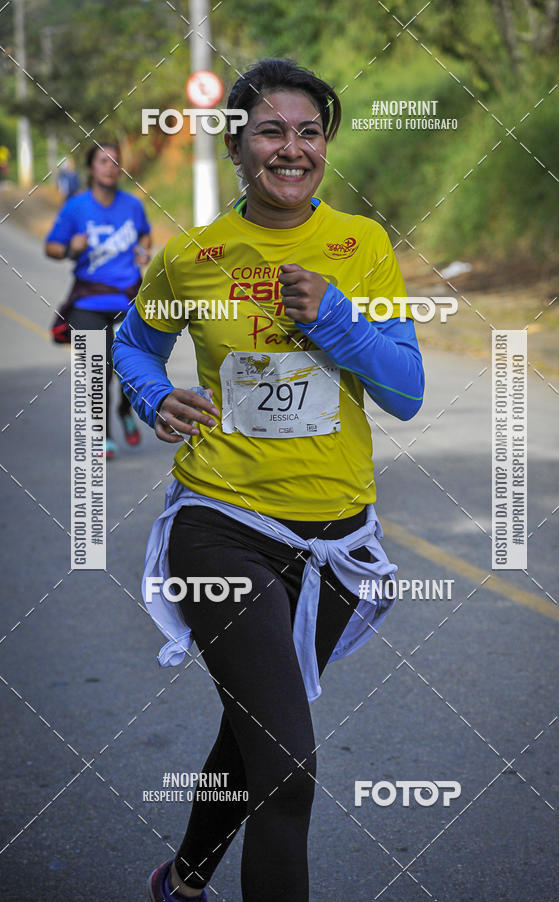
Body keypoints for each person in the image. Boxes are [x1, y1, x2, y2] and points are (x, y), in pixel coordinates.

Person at [112, 58, 425, 902]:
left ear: (325, 145)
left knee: (254, 735)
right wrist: (152, 394)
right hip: (221, 523)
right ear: (238, 145)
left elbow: (406, 393)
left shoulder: (361, 247)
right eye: (272, 132)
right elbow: (133, 342)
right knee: (286, 766)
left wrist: (335, 318)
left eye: (310, 131)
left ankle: (180, 880)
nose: (292, 148)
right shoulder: (195, 256)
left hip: (335, 544)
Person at [45, 142, 152, 458]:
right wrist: (71, 249)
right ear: (91, 168)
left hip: (129, 297)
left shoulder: (132, 206)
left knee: (135, 365)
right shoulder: (76, 207)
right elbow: (51, 246)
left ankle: (123, 409)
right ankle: (102, 434)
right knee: (98, 370)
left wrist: (143, 249)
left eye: (116, 162)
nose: (111, 167)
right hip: (89, 300)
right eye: (104, 161)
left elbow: (145, 233)